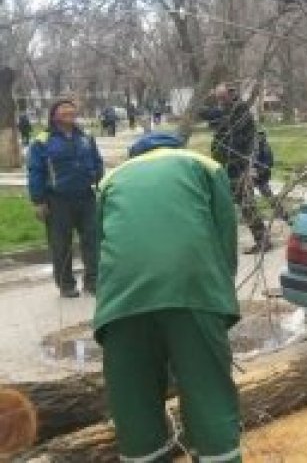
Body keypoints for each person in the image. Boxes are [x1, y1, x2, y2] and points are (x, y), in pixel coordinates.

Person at [94, 131, 241, 462]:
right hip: (192, 289)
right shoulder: (204, 165)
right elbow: (225, 233)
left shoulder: (111, 179)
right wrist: (220, 296)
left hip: (119, 303)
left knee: (134, 404)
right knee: (208, 393)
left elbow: (101, 239)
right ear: (176, 149)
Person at [27, 99, 104, 298]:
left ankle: (93, 282)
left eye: (72, 108)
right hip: (57, 200)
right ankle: (66, 284)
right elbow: (35, 171)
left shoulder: (86, 137)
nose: (69, 111)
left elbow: (97, 159)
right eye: (63, 109)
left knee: (92, 240)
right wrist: (38, 201)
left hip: (86, 196)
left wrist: (97, 174)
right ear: (54, 115)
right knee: (61, 244)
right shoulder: (42, 141)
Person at [210, 84, 271, 253]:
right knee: (237, 204)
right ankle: (260, 239)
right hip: (230, 166)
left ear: (230, 96)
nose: (220, 102)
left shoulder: (239, 111)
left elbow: (234, 135)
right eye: (218, 99)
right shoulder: (228, 111)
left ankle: (263, 240)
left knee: (246, 204)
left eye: (223, 99)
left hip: (240, 166)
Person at [252, 129, 288, 221]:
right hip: (252, 175)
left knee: (268, 195)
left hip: (261, 177)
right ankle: (253, 216)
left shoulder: (265, 148)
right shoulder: (252, 146)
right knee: (247, 195)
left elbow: (269, 163)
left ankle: (283, 214)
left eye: (261, 135)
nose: (259, 137)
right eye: (258, 135)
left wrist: (259, 172)